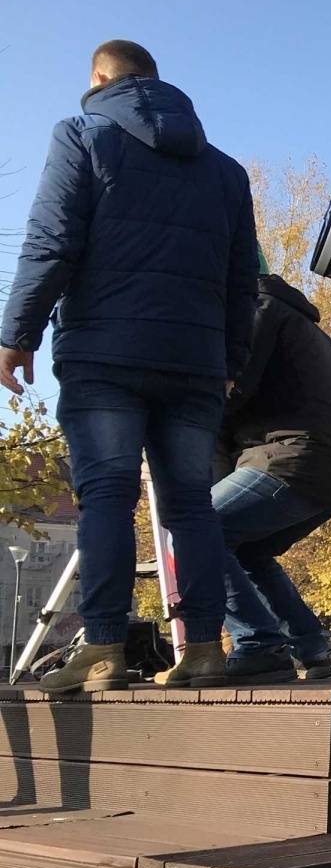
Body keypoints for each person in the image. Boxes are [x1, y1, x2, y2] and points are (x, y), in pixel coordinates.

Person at [0, 40, 257, 693]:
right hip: (196, 361)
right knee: (190, 504)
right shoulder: (225, 172)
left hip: (105, 352)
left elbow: (52, 242)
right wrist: (229, 360)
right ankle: (204, 648)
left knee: (107, 493)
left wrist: (16, 335)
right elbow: (241, 280)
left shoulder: (81, 135)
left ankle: (105, 646)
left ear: (98, 77)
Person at [212, 264, 331, 683]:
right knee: (248, 551)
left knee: (196, 529)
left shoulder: (259, 309)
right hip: (328, 467)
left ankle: (259, 642)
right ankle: (309, 646)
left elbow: (229, 390)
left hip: (294, 459)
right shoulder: (294, 319)